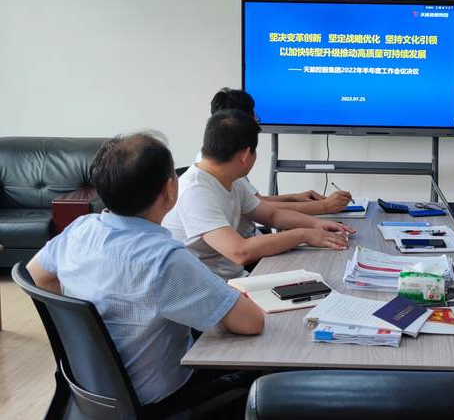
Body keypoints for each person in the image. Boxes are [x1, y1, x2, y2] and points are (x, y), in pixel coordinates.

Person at [25, 133, 264, 415]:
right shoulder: (164, 259)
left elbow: (36, 274)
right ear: (169, 189)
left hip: (93, 392)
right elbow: (251, 322)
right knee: (263, 373)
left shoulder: (81, 229)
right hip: (159, 403)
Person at [163, 109, 356, 280]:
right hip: (211, 291)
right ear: (246, 155)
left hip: (235, 279)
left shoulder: (230, 179)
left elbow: (272, 215)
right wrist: (304, 234)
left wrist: (316, 224)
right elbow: (240, 252)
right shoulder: (196, 191)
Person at [204, 87, 352, 215]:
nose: (257, 122)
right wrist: (324, 206)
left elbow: (257, 202)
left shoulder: (222, 161)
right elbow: (263, 210)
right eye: (254, 118)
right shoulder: (208, 183)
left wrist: (294, 198)